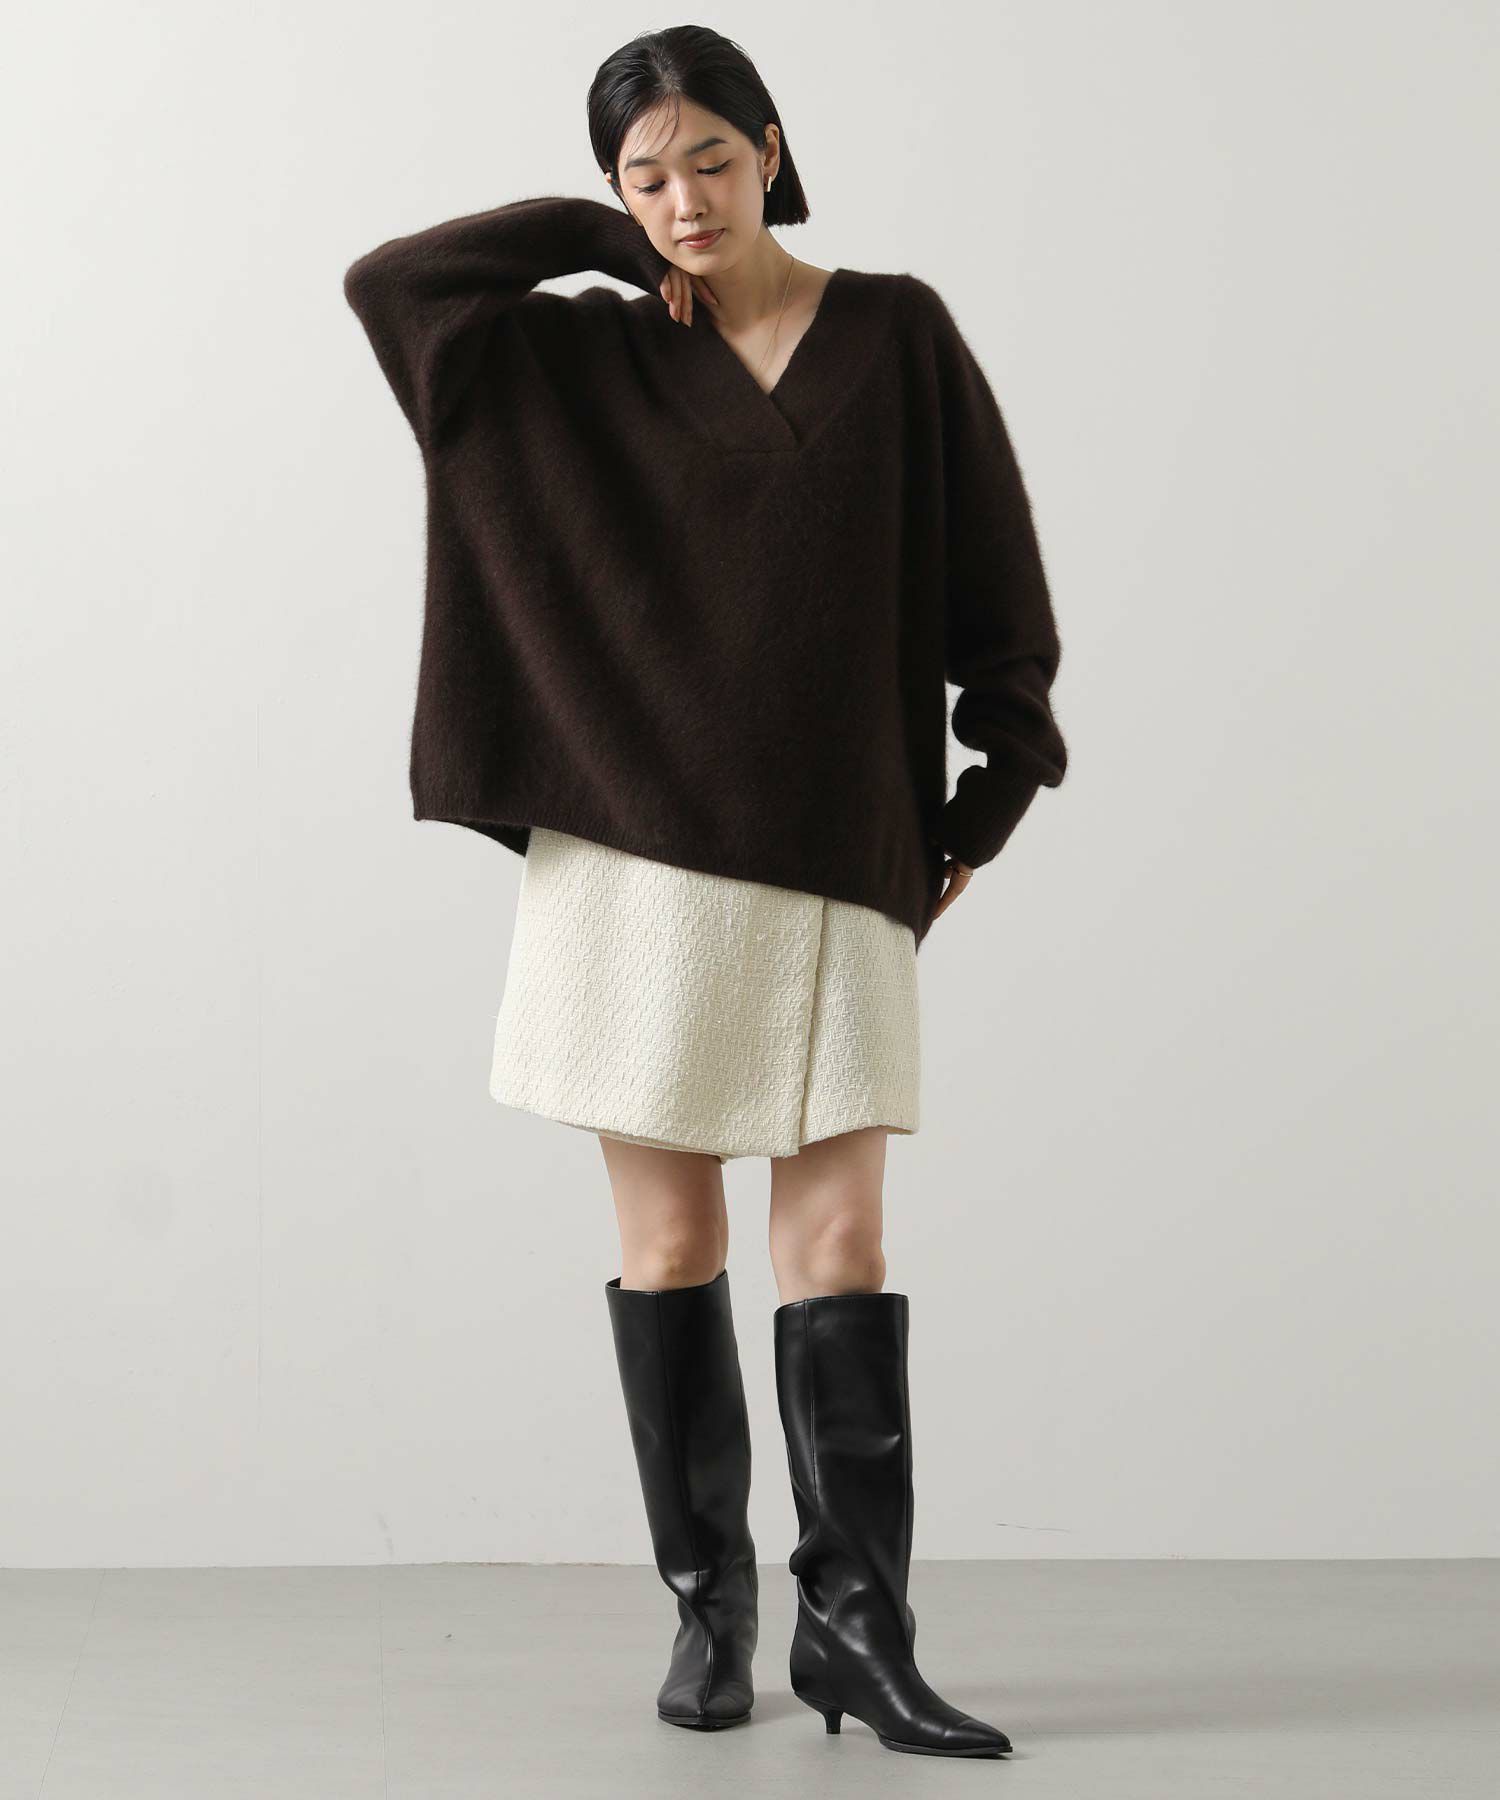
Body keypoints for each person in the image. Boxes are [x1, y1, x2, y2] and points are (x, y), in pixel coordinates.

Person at [342, 23, 1067, 1762]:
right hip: (634, 859)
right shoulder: (578, 354)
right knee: (671, 1246)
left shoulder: (896, 332)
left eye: (713, 163)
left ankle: (861, 1635)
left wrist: (985, 798)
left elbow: (997, 582)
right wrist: (592, 241)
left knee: (844, 1244)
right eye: (645, 176)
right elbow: (393, 287)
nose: (685, 201)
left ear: (775, 149)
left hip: (838, 850)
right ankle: (711, 1607)